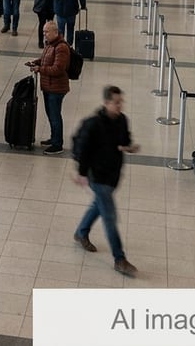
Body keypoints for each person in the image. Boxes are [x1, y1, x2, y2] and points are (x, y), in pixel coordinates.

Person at [71, 85, 139, 278]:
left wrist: (129, 147)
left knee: (98, 206)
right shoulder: (93, 124)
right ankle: (120, 259)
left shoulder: (122, 120)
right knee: (110, 216)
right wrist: (82, 173)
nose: (120, 106)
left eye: (121, 102)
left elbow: (124, 140)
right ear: (106, 102)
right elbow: (83, 150)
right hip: (97, 176)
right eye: (116, 102)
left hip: (113, 175)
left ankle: (81, 232)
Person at [29, 22, 71, 155]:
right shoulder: (50, 44)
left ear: (55, 32)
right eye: (43, 32)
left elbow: (58, 69)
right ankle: (54, 138)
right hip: (49, 86)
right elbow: (44, 59)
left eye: (46, 32)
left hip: (56, 88)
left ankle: (58, 144)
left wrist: (39, 69)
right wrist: (36, 62)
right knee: (51, 114)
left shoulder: (61, 47)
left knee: (54, 116)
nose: (44, 34)